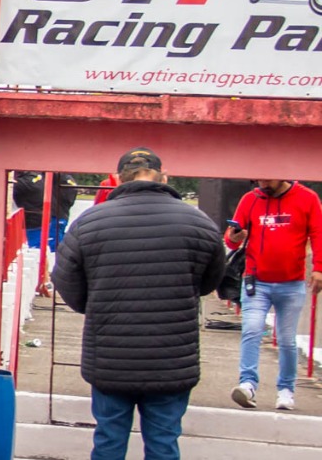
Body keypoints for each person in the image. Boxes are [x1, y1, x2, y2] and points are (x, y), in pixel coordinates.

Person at [53, 147, 224, 460]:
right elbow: (210, 282)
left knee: (108, 442)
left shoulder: (89, 223)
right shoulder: (199, 223)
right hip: (171, 360)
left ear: (117, 179)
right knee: (163, 443)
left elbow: (65, 280)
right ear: (164, 177)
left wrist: (95, 305)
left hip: (110, 357)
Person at [225, 178, 322, 411]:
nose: (262, 182)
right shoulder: (250, 199)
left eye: (267, 178)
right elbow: (231, 238)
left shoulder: (307, 198)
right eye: (258, 178)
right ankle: (247, 384)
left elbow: (318, 234)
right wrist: (235, 236)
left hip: (291, 282)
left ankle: (286, 389)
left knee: (287, 339)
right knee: (251, 329)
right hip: (256, 281)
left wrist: (319, 268)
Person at [11, 170, 79, 249]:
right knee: (55, 244)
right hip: (61, 216)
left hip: (52, 216)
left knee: (50, 245)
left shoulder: (54, 177)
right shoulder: (69, 181)